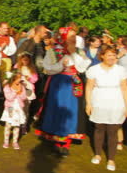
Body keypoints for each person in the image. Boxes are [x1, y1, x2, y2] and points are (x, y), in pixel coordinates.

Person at [38, 27, 91, 156]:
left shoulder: (79, 52)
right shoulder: (54, 51)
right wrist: (61, 65)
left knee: (71, 111)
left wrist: (73, 54)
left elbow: (82, 67)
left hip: (73, 83)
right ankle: (56, 140)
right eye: (71, 36)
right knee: (57, 109)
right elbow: (48, 69)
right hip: (59, 84)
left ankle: (66, 141)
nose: (74, 39)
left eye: (74, 36)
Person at [85, 46, 127, 171]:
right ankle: (97, 154)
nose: (112, 57)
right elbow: (89, 87)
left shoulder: (121, 70)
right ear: (102, 56)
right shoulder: (94, 69)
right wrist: (88, 103)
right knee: (99, 129)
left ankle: (111, 159)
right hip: (99, 101)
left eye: (114, 55)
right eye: (109, 55)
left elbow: (125, 89)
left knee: (113, 131)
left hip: (116, 102)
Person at [1, 71, 29, 150]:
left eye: (20, 78)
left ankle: (15, 142)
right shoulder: (7, 87)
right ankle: (6, 141)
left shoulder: (22, 86)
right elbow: (9, 98)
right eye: (18, 78)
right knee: (8, 124)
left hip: (18, 109)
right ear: (13, 78)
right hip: (10, 108)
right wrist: (16, 92)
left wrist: (20, 93)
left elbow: (24, 97)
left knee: (17, 125)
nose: (19, 80)